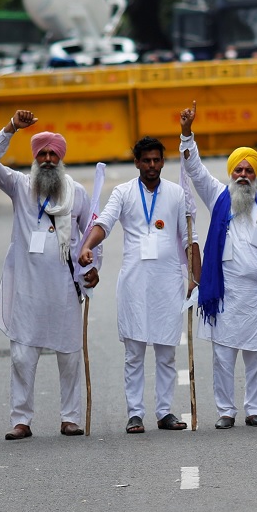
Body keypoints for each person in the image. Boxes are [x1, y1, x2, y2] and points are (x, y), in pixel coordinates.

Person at [178, 101, 257, 429]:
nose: (243, 176)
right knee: (222, 358)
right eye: (238, 171)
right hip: (225, 294)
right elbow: (195, 170)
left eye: (249, 171)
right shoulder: (218, 195)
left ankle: (255, 410)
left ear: (256, 175)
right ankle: (226, 412)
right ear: (230, 173)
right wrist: (187, 135)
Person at [0, 110, 91, 440]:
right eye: (41, 153)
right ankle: (21, 420)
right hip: (27, 291)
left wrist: (90, 267)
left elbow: (91, 234)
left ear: (60, 159)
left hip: (64, 290)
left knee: (70, 356)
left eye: (52, 154)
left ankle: (69, 418)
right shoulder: (20, 186)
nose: (46, 159)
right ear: (34, 158)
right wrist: (11, 128)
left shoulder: (77, 192)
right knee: (20, 357)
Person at [78, 137, 190, 434]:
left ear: (163, 162)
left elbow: (188, 238)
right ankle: (135, 414)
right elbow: (104, 223)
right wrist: (87, 246)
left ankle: (165, 412)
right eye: (146, 160)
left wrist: (196, 278)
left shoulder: (177, 194)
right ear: (137, 163)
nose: (152, 165)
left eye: (157, 160)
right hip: (134, 284)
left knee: (167, 352)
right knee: (134, 353)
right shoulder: (124, 192)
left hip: (167, 284)